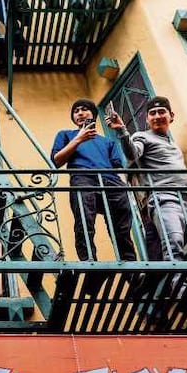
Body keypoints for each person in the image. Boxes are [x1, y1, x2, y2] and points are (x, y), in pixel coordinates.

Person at [105, 97, 187, 261]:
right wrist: (122, 130)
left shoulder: (173, 144)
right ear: (147, 119)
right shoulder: (142, 137)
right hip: (164, 197)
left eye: (161, 112)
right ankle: (178, 281)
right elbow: (133, 154)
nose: (157, 116)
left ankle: (174, 276)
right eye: (152, 113)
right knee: (174, 241)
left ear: (171, 116)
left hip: (186, 198)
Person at [51, 99, 137, 261]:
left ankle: (130, 267)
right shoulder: (66, 135)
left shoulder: (107, 141)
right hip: (83, 178)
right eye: (76, 111)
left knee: (121, 229)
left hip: (111, 181)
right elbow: (56, 161)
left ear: (94, 115)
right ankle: (89, 260)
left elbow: (118, 166)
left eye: (85, 110)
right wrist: (78, 139)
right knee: (84, 222)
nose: (80, 113)